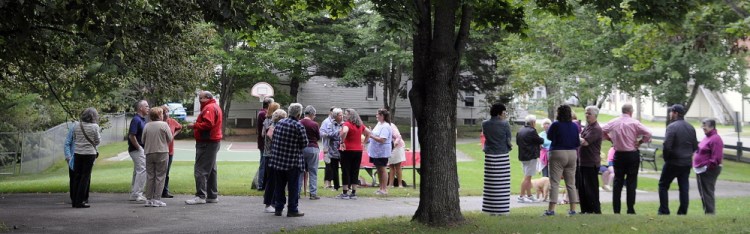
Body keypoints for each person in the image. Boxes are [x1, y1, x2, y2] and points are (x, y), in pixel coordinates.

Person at [602, 103, 652, 214]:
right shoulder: (634, 123)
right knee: (631, 182)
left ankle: (616, 209)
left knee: (617, 182)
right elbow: (648, 133)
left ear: (622, 111)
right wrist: (640, 142)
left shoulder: (614, 122)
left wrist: (610, 138)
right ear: (631, 112)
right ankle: (630, 209)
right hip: (631, 154)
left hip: (618, 154)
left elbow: (602, 130)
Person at [269, 103, 308, 217]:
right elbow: (304, 143)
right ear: (298, 114)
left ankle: (278, 208)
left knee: (279, 186)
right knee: (293, 187)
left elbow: (274, 138)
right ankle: (292, 209)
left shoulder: (280, 123)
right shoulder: (298, 126)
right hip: (292, 162)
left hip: (278, 160)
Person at [658, 104, 698, 215]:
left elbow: (667, 145)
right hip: (686, 162)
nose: (670, 114)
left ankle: (664, 210)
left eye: (671, 112)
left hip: (673, 161)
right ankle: (682, 212)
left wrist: (667, 158)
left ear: (675, 113)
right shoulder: (691, 127)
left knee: (663, 185)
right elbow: (695, 146)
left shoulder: (672, 127)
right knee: (684, 188)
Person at [185, 91, 223, 205]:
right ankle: (212, 195)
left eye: (201, 98)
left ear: (207, 98)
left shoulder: (209, 108)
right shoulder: (215, 106)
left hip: (207, 142)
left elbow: (208, 124)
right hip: (213, 141)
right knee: (211, 169)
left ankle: (200, 195)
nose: (199, 100)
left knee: (200, 169)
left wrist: (194, 125)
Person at [543, 104, 580, 216]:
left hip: (558, 152)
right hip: (572, 154)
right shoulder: (574, 126)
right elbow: (577, 141)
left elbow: (549, 137)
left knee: (554, 182)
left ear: (559, 113)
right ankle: (573, 209)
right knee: (571, 183)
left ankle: (551, 209)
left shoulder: (555, 125)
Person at [481, 103, 512, 215]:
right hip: (502, 155)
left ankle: (489, 209)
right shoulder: (505, 124)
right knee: (502, 183)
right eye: (503, 112)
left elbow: (486, 136)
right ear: (500, 113)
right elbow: (508, 138)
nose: (504, 114)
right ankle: (502, 209)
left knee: (490, 183)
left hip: (489, 155)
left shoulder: (484, 124)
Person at [68, 108, 101, 208]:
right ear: (93, 117)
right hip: (89, 154)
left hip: (77, 153)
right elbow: (97, 141)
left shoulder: (76, 125)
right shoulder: (95, 127)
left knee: (77, 176)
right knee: (85, 177)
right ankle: (80, 201)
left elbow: (75, 138)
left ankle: (74, 200)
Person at [142, 107, 173, 207]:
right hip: (162, 152)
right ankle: (157, 199)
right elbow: (170, 138)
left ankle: (148, 199)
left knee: (150, 176)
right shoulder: (164, 125)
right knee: (160, 176)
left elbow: (143, 140)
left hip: (149, 152)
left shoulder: (147, 125)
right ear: (160, 115)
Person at [577, 106, 604, 214]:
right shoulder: (588, 127)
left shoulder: (596, 128)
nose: (586, 115)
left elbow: (585, 142)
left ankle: (595, 210)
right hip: (583, 162)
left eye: (589, 113)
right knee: (582, 188)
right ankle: (585, 210)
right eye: (586, 113)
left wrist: (573, 135)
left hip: (591, 162)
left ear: (595, 115)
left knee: (591, 188)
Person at [337, 108, 368, 200]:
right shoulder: (360, 125)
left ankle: (345, 192)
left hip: (347, 150)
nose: (345, 116)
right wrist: (363, 142)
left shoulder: (347, 124)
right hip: (358, 150)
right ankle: (354, 192)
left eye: (346, 114)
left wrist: (342, 141)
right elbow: (368, 133)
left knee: (345, 170)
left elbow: (345, 131)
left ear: (350, 115)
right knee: (355, 170)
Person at [694, 119, 723, 215]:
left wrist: (707, 167)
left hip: (708, 170)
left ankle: (710, 213)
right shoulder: (707, 137)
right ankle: (708, 212)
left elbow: (717, 157)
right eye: (702, 125)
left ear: (712, 127)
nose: (703, 128)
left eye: (705, 126)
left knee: (707, 192)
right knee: (703, 192)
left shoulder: (715, 138)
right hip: (700, 169)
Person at [516, 114, 544, 203]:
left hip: (523, 156)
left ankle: (529, 195)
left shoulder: (520, 130)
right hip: (530, 156)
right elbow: (540, 140)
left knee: (527, 176)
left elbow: (518, 142)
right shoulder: (532, 131)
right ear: (532, 122)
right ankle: (521, 196)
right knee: (527, 178)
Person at [262, 108, 285, 213]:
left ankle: (273, 202)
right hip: (270, 156)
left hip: (271, 156)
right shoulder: (273, 127)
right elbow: (270, 136)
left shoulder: (273, 125)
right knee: (271, 181)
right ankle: (268, 204)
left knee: (275, 181)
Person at [367, 108, 393, 195]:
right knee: (378, 169)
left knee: (382, 169)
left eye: (378, 114)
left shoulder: (385, 126)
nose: (376, 116)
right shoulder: (379, 124)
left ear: (382, 116)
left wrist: (371, 136)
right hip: (375, 151)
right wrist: (371, 133)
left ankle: (384, 189)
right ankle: (380, 187)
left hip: (382, 152)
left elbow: (382, 139)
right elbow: (375, 134)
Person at [128, 100, 149, 202]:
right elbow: (132, 135)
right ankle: (137, 194)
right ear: (140, 108)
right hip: (137, 149)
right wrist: (139, 147)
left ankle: (134, 193)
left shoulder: (142, 119)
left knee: (138, 171)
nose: (148, 108)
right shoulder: (136, 120)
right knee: (142, 170)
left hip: (139, 149)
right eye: (146, 106)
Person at [160, 106, 182, 198]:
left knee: (166, 172)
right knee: (159, 172)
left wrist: (173, 135)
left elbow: (180, 127)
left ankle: (165, 191)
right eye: (164, 112)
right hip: (160, 151)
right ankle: (156, 191)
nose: (166, 114)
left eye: (167, 112)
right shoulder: (158, 123)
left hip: (170, 151)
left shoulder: (172, 121)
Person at [299, 105, 321, 200]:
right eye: (314, 115)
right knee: (313, 171)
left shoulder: (299, 123)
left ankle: (297, 192)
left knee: (300, 171)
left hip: (301, 148)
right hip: (313, 148)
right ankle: (313, 193)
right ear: (312, 114)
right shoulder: (314, 124)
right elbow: (318, 137)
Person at [321, 108, 344, 191]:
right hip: (333, 149)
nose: (342, 116)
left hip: (343, 149)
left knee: (345, 168)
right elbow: (327, 134)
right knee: (333, 168)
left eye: (342, 115)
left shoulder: (344, 124)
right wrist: (339, 132)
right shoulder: (329, 123)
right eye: (340, 115)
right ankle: (335, 186)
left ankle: (346, 186)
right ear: (335, 116)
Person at [256, 97, 274, 190]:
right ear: (269, 105)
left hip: (264, 142)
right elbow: (267, 130)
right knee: (263, 163)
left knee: (265, 163)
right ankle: (261, 184)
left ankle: (263, 183)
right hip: (264, 143)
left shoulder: (263, 113)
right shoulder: (264, 114)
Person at [319, 107, 338, 190]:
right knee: (328, 165)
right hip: (328, 147)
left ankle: (336, 183)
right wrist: (327, 135)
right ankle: (327, 183)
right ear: (330, 113)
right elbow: (320, 132)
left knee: (335, 166)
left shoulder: (338, 122)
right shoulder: (326, 122)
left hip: (337, 148)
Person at [388, 118, 406, 188]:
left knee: (397, 166)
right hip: (390, 148)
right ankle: (390, 184)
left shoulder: (391, 126)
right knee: (391, 166)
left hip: (397, 147)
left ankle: (400, 184)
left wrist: (395, 144)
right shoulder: (382, 126)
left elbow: (398, 136)